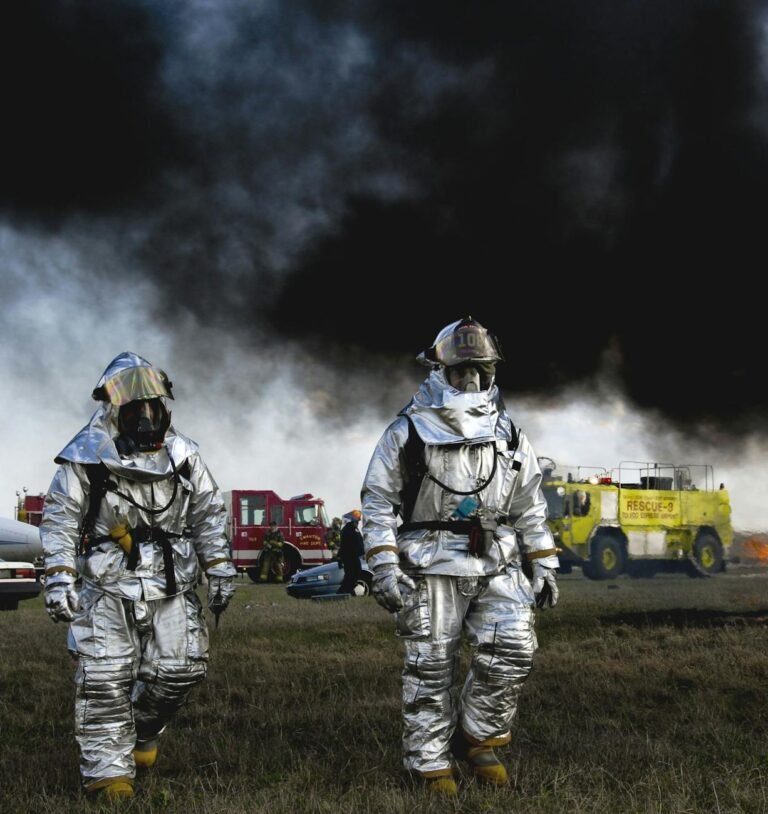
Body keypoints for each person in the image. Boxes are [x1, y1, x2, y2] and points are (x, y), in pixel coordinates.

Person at [360, 317, 559, 796]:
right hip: (429, 561)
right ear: (439, 372)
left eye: (480, 372)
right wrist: (385, 565)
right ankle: (428, 760)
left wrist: (545, 560)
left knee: (513, 648)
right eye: (461, 372)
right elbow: (378, 501)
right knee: (430, 663)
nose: (471, 382)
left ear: (492, 373)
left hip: (495, 555)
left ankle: (478, 736)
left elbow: (529, 502)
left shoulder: (508, 434)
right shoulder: (407, 432)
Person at [39, 352, 237, 801]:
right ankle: (109, 776)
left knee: (182, 670)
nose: (146, 416)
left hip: (172, 578)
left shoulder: (185, 456)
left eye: (153, 406)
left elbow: (207, 512)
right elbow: (62, 519)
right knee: (105, 678)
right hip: (108, 581)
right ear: (115, 410)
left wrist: (220, 566)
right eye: (135, 407)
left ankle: (141, 732)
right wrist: (58, 576)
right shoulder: (85, 457)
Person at [336, 510, 364, 595]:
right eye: (357, 518)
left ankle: (346, 590)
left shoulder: (354, 528)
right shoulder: (349, 528)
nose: (359, 520)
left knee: (355, 573)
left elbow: (359, 541)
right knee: (351, 574)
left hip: (354, 556)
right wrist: (340, 557)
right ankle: (342, 592)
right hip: (349, 556)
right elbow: (345, 544)